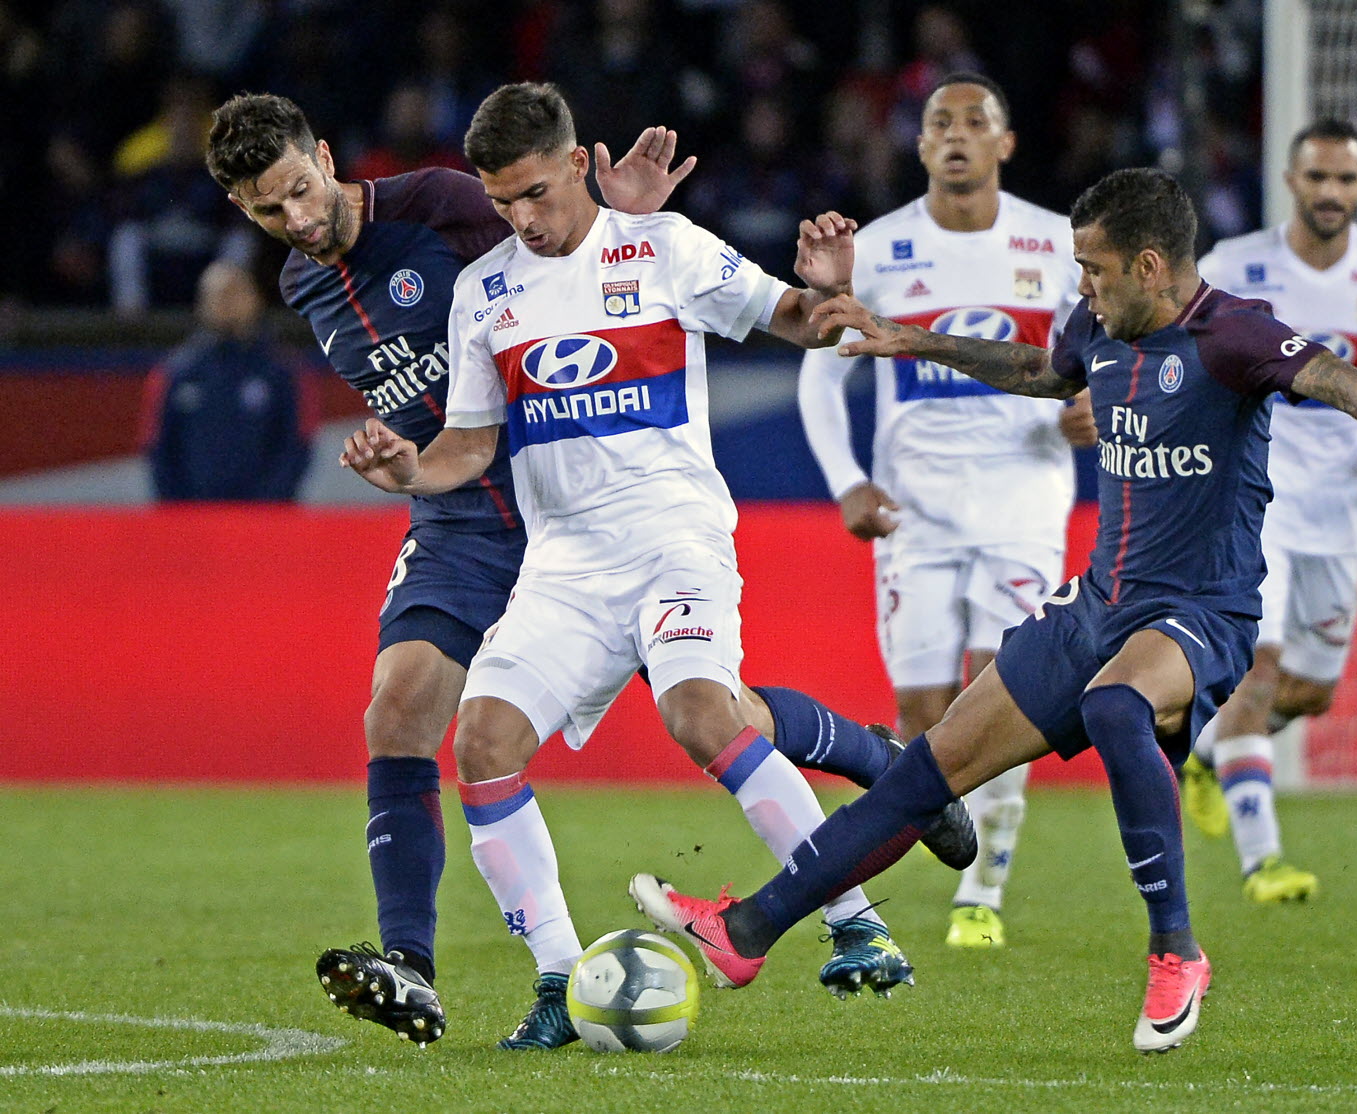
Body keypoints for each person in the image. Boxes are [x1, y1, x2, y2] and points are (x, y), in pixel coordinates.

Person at [629, 167, 1357, 1053]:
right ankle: (743, 936)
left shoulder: (1233, 333)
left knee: (1117, 703)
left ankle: (1176, 952)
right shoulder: (1098, 324)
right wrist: (907, 340)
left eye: (1094, 267)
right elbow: (1042, 371)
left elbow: (1334, 378)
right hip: (1097, 607)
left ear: (1151, 265)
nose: (1080, 286)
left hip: (1203, 613)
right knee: (921, 780)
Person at [338, 82, 973, 1049]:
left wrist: (832, 288)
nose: (524, 221)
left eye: (539, 194)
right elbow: (470, 445)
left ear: (580, 162)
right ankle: (557, 981)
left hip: (674, 533)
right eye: (503, 202)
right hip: (561, 563)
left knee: (700, 713)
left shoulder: (663, 247)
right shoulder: (485, 293)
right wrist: (409, 470)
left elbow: (800, 319)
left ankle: (855, 926)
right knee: (481, 744)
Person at [204, 91, 703, 1047]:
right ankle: (411, 965)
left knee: (711, 712)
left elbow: (566, 255)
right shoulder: (304, 289)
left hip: (573, 500)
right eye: (270, 210)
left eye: (302, 190)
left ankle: (872, 764)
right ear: (242, 209)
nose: (298, 219)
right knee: (396, 712)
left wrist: (630, 222)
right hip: (459, 518)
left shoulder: (441, 205)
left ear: (323, 151)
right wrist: (403, 464)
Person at [797, 72, 1095, 949]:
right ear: (920, 146)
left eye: (977, 122)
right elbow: (823, 369)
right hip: (915, 510)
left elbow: (1105, 352)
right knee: (922, 715)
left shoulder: (1055, 244)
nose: (957, 135)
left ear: (1006, 144)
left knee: (1010, 693)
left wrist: (1098, 407)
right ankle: (941, 845)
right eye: (939, 123)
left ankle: (983, 892)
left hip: (1023, 498)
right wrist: (847, 480)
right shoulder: (882, 249)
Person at [1181, 119, 1357, 902]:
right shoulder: (1236, 267)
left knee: (1312, 691)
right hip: (1252, 496)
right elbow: (1176, 354)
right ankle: (1265, 862)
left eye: (1346, 180)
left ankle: (1209, 757)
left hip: (1342, 502)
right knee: (1259, 669)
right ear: (1292, 182)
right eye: (1318, 178)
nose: (1332, 193)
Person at [142, 258, 313, 500]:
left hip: (264, 521)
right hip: (193, 521)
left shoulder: (282, 370)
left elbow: (296, 445)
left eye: (235, 292)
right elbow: (159, 448)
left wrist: (269, 506)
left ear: (256, 299)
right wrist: (178, 511)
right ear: (201, 303)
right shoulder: (177, 372)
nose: (227, 302)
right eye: (218, 295)